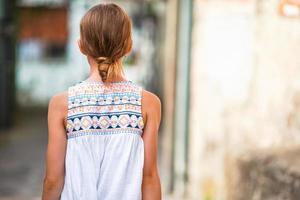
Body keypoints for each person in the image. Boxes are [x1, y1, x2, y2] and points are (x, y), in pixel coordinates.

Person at [42, 3, 161, 200]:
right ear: (129, 46)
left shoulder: (61, 104)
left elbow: (53, 180)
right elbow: (149, 178)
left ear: (81, 46)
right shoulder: (147, 103)